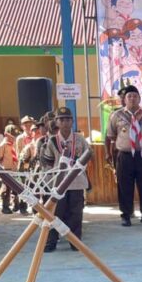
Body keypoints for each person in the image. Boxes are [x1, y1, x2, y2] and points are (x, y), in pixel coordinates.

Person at [106, 86, 142, 226]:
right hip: (125, 156)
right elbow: (111, 136)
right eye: (129, 96)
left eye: (135, 96)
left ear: (139, 99)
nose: (132, 98)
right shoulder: (116, 115)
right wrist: (112, 154)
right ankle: (126, 215)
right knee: (124, 186)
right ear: (124, 99)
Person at [43, 107, 90, 250]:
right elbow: (48, 163)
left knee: (75, 213)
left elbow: (88, 156)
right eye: (61, 120)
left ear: (72, 121)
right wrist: (49, 184)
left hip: (76, 182)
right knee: (55, 213)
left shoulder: (80, 139)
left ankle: (75, 242)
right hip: (58, 184)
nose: (65, 122)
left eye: (68, 119)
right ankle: (51, 242)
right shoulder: (52, 141)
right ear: (56, 122)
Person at [0, 124, 21, 214]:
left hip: (14, 169)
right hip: (6, 169)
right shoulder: (3, 145)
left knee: (16, 188)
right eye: (12, 136)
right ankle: (5, 206)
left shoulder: (14, 144)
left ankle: (16, 205)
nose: (14, 138)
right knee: (6, 189)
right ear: (6, 134)